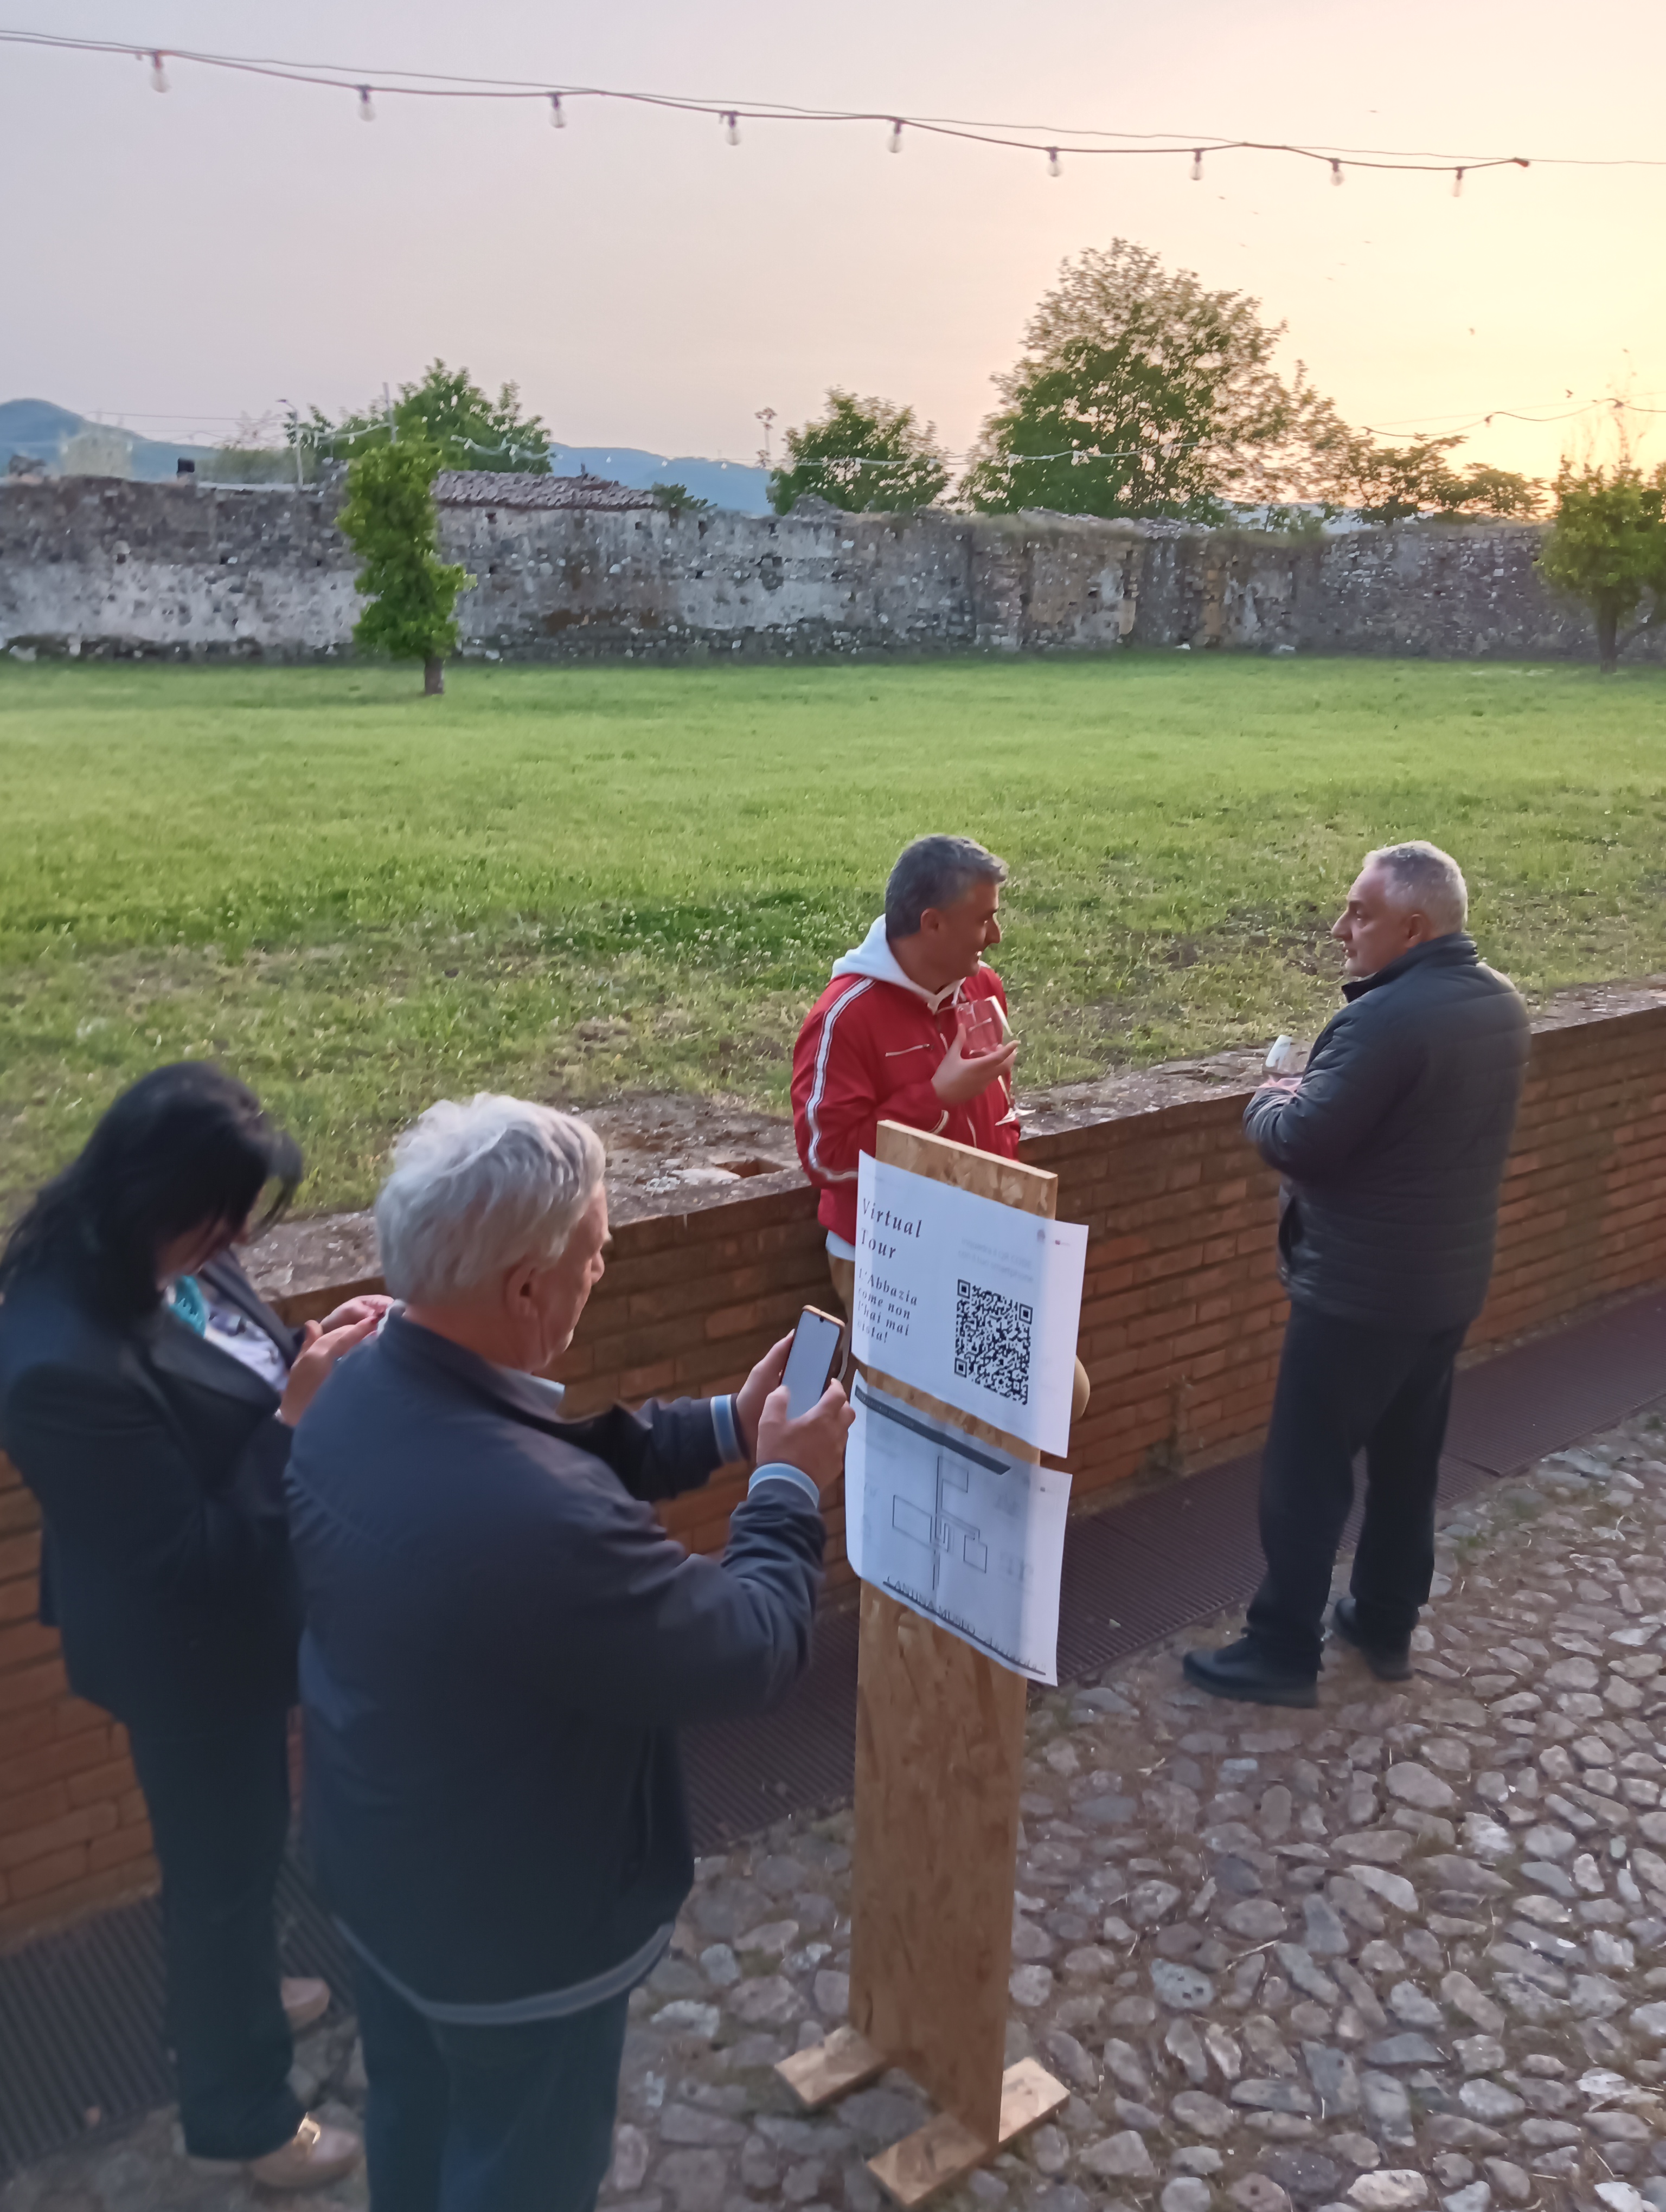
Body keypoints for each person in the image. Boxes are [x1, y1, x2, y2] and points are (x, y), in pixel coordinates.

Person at [286, 1093, 851, 2212]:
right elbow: (752, 1647)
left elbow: (546, 1451)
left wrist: (729, 1431)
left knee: (413, 2117)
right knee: (521, 2171)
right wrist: (788, 1485)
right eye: (594, 1255)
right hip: (520, 1943)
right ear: (526, 1286)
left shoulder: (347, 1388)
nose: (600, 1274)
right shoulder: (533, 1524)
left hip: (385, 1878)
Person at [0, 1063, 381, 2189]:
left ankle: (250, 1989)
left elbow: (235, 1378)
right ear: (151, 1196)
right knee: (217, 1877)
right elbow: (184, 1559)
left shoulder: (167, 1256)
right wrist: (299, 1416)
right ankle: (247, 2117)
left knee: (246, 1841)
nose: (232, 1239)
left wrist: (316, 1348)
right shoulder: (54, 1362)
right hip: (186, 1655)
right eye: (217, 1217)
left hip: (241, 1631)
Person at [1184, 842, 1530, 1707]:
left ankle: (1281, 1649)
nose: (1342, 930)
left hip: (1358, 1295)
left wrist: (1269, 1093)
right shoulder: (1500, 1003)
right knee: (1409, 1466)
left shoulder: (1383, 1020)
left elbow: (1302, 1141)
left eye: (1360, 914)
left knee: (1307, 1474)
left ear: (1413, 927)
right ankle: (1383, 1622)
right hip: (1445, 1287)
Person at [792, 834, 1020, 1314]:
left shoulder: (983, 989)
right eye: (983, 920)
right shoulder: (844, 1018)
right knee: (1048, 1390)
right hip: (888, 1261)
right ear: (932, 924)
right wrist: (936, 1098)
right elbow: (826, 1159)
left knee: (1062, 1389)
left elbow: (1001, 1113)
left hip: (981, 1247)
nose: (996, 935)